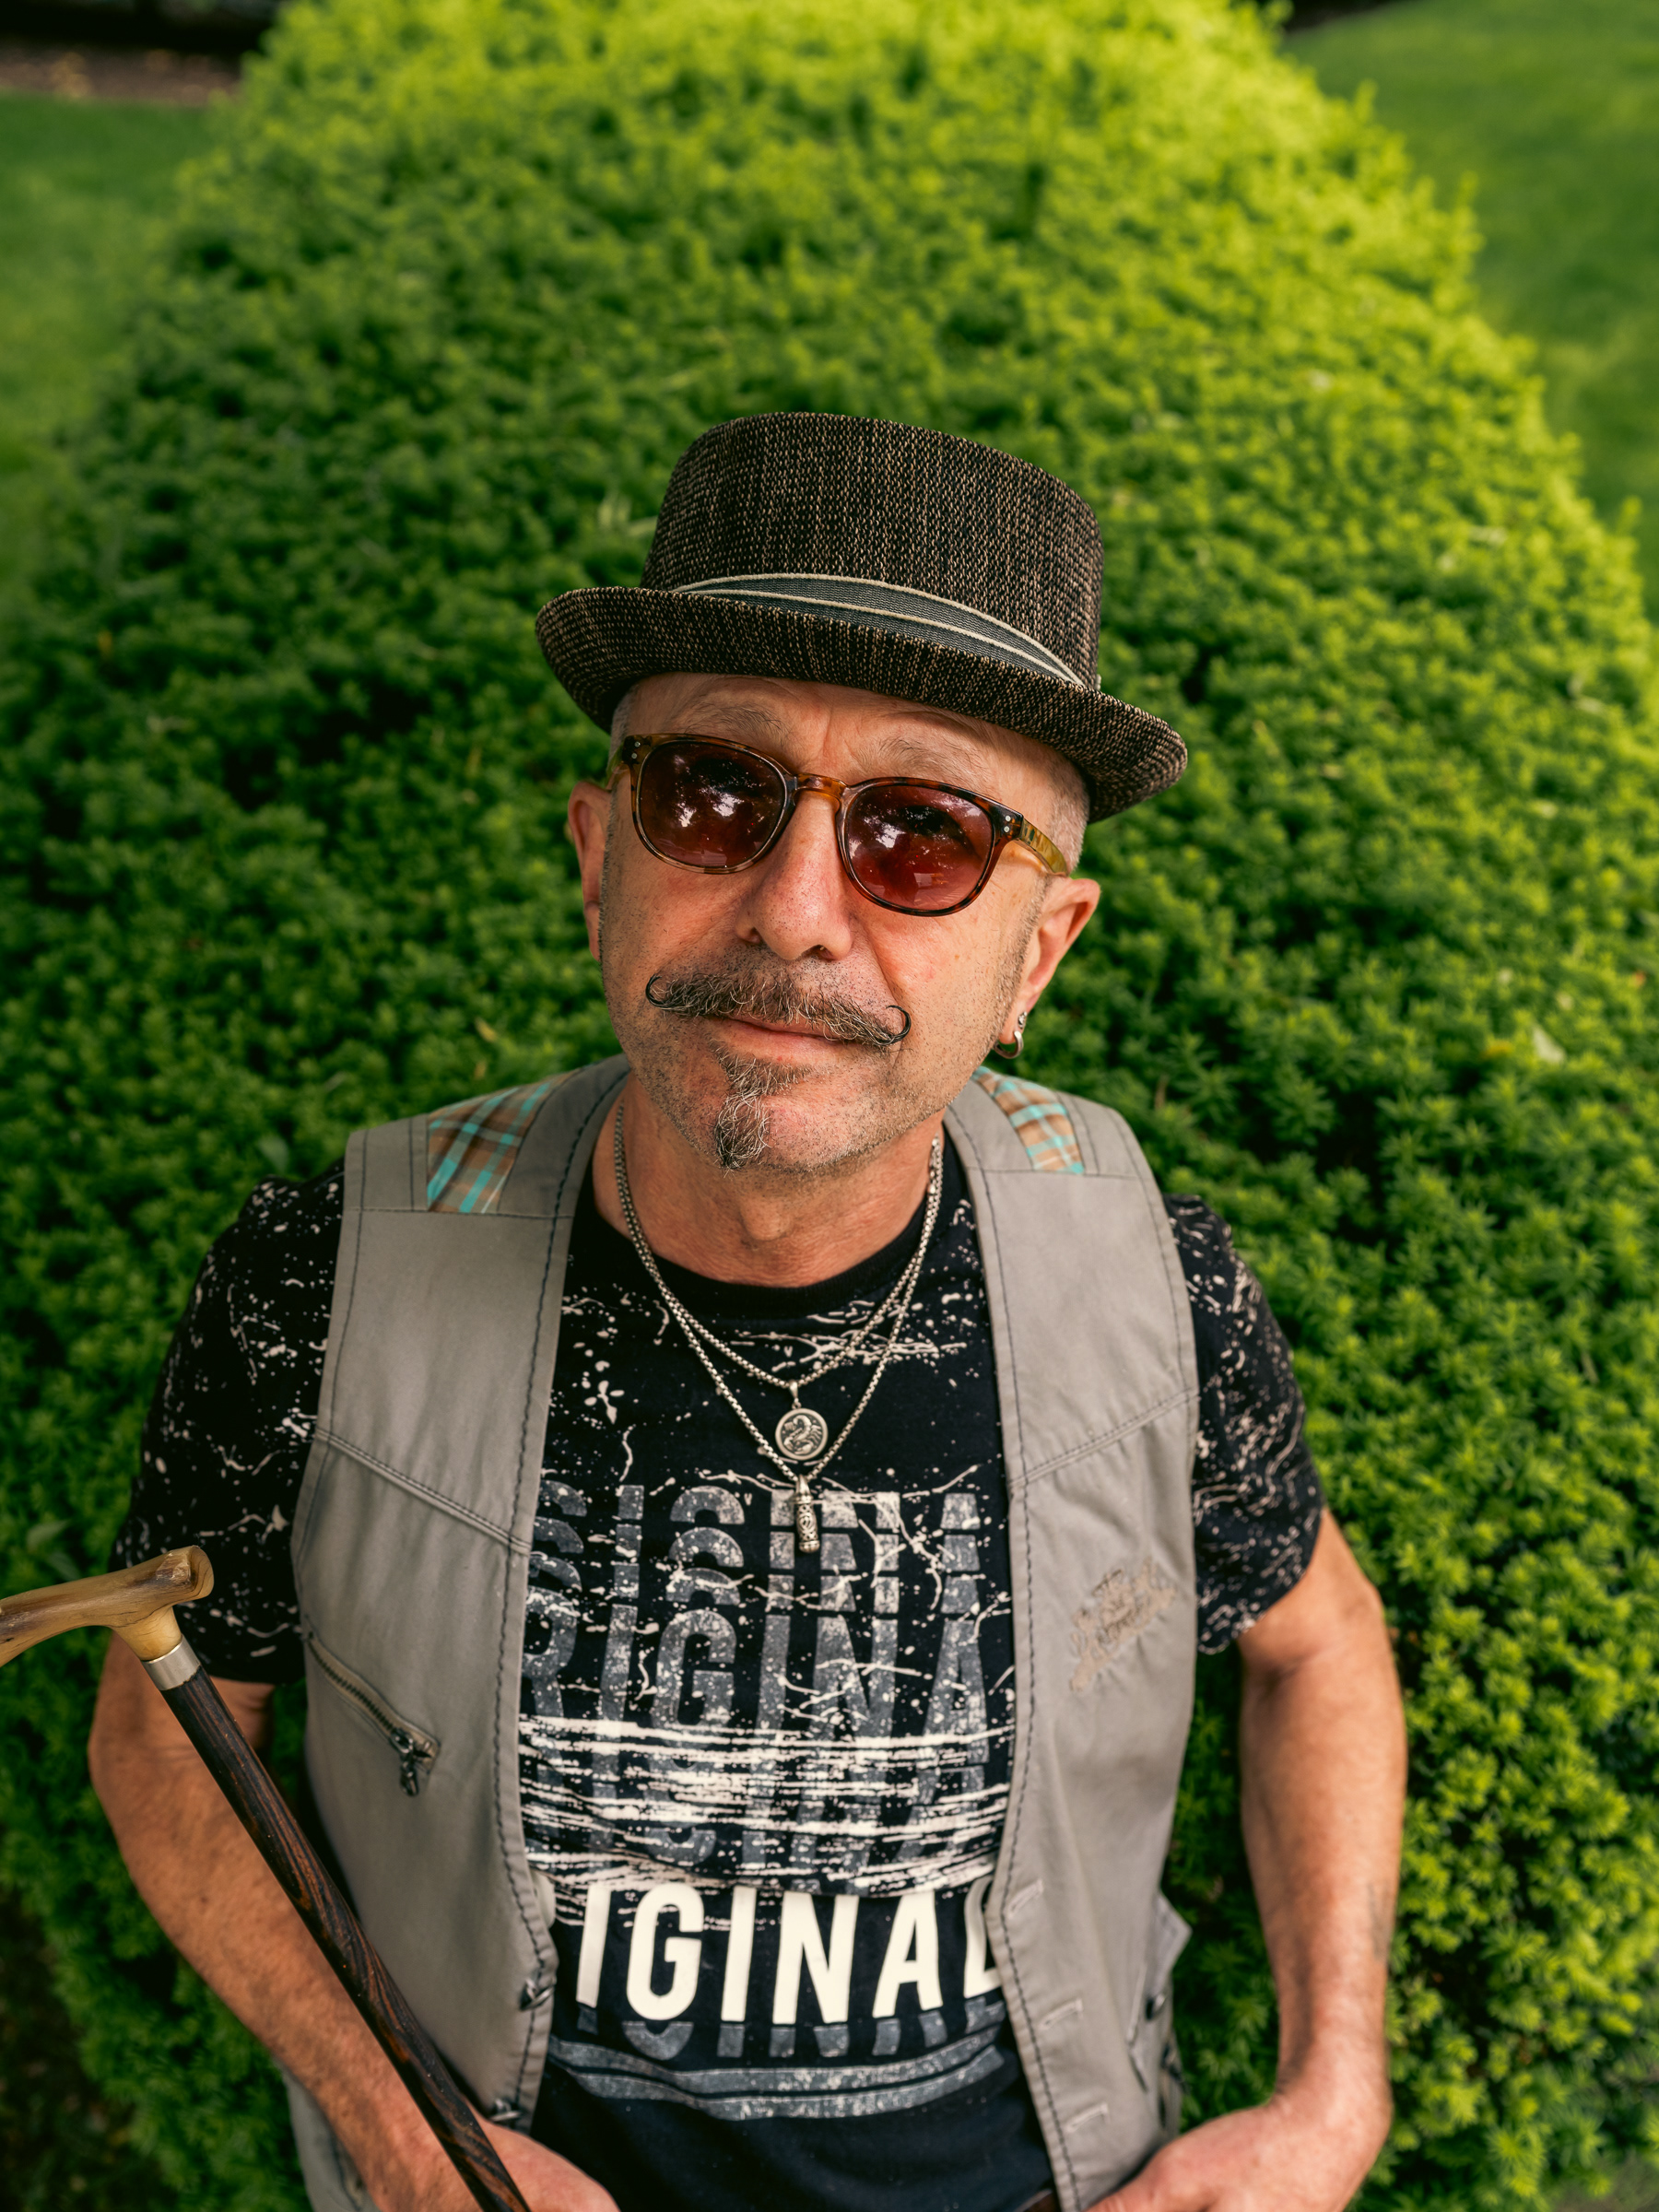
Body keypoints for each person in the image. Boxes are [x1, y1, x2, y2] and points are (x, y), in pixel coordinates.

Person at [91, 412, 1406, 2212]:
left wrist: (1333, 2091)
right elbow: (168, 1718)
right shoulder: (322, 1275)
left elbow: (1318, 1643)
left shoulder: (1152, 1279)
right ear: (598, 861)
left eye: (925, 836)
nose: (793, 915)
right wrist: (401, 2139)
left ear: (1039, 951)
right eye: (711, 793)